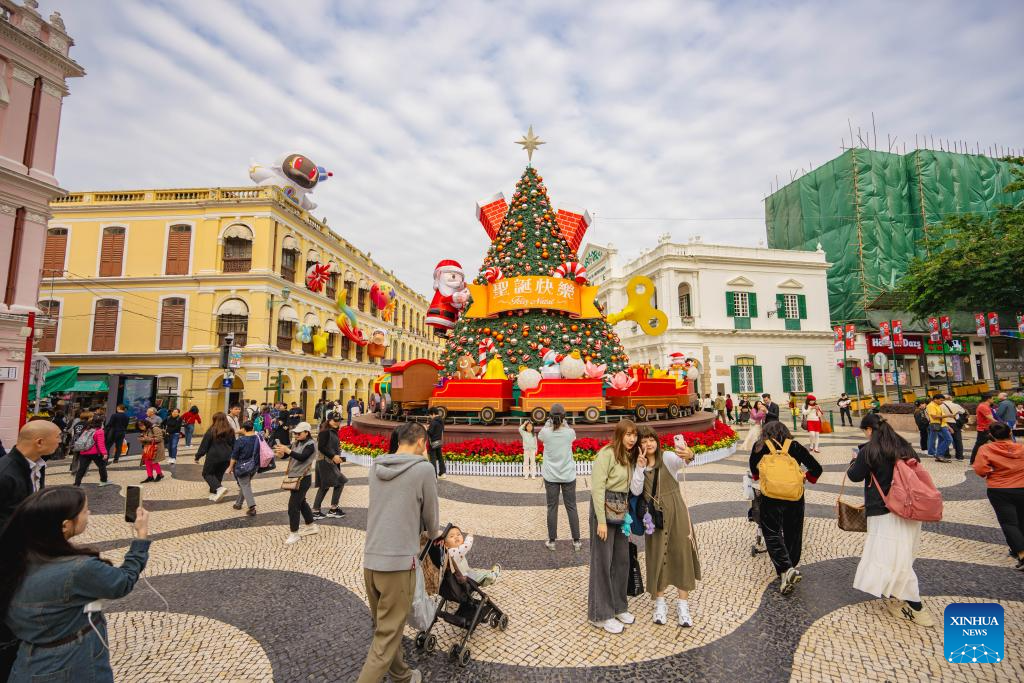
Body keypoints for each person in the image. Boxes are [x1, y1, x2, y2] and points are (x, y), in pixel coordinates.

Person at [0, 487, 151, 682]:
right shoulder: (78, 569)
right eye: (85, 510)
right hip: (73, 664)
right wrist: (141, 537)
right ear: (65, 525)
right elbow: (122, 582)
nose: (89, 513)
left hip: (28, 661)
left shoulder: (16, 556)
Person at [357, 421, 438, 683]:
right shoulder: (423, 469)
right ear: (420, 443)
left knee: (385, 629)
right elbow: (431, 517)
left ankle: (402, 676)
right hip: (398, 564)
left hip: (371, 559)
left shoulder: (377, 467)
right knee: (386, 638)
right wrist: (434, 535)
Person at [847, 413, 936, 627]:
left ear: (869, 430)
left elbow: (854, 475)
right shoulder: (904, 446)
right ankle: (896, 596)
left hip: (885, 510)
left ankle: (916, 607)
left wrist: (854, 459)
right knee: (902, 555)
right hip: (909, 509)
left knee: (893, 558)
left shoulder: (870, 450)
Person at [631, 425, 701, 626]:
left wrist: (690, 453)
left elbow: (683, 460)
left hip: (676, 511)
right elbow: (636, 490)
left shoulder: (667, 457)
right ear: (639, 445)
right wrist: (639, 467)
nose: (648, 444)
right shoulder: (639, 464)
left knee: (681, 554)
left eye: (651, 439)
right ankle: (660, 603)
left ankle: (683, 606)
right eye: (643, 441)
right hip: (653, 518)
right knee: (656, 555)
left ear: (656, 440)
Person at [749, 421, 822, 595]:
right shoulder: (795, 446)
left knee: (772, 532)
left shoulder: (760, 446)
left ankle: (785, 568)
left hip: (771, 498)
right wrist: (805, 476)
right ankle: (789, 568)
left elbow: (754, 471)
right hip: (794, 497)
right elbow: (817, 469)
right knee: (793, 532)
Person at [588, 419, 638, 634]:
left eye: (634, 435)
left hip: (620, 509)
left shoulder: (630, 457)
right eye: (628, 435)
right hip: (603, 509)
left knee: (621, 560)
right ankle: (601, 614)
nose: (632, 439)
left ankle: (619, 606)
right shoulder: (606, 454)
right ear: (619, 435)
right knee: (603, 562)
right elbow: (597, 488)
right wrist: (600, 520)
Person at [972, 423, 1024, 569]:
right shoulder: (1021, 447)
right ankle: (1016, 548)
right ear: (1010, 433)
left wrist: (992, 472)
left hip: (1000, 489)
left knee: (1009, 523)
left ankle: (1021, 553)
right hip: (1022, 486)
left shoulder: (986, 449)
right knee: (1022, 519)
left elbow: (980, 469)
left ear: (992, 436)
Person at [0, 421, 60, 528]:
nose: (60, 441)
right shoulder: (4, 473)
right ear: (39, 442)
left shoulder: (37, 464)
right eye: (57, 437)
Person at [538, 404, 581, 551]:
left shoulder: (545, 433)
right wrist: (564, 423)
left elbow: (541, 434)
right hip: (568, 475)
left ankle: (552, 541)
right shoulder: (569, 433)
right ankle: (576, 541)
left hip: (551, 476)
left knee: (552, 508)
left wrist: (548, 423)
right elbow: (570, 433)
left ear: (550, 417)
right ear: (564, 418)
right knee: (572, 507)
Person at [274, 421, 319, 545]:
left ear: (307, 432)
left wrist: (287, 451)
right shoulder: (296, 443)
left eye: (299, 433)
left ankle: (294, 533)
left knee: (293, 506)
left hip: (303, 478)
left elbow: (302, 457)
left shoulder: (311, 444)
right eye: (295, 433)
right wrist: (281, 454)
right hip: (294, 476)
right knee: (301, 502)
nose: (296, 435)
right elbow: (291, 456)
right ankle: (311, 525)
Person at [313, 413, 347, 519]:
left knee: (325, 486)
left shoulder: (333, 431)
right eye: (335, 420)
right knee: (340, 482)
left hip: (329, 461)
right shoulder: (325, 432)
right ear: (329, 420)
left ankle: (316, 511)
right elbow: (321, 447)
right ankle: (333, 509)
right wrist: (333, 456)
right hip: (326, 461)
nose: (337, 422)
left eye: (339, 420)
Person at [195, 412, 235, 502]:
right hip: (227, 457)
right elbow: (234, 445)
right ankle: (214, 493)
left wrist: (198, 456)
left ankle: (219, 488)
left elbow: (204, 445)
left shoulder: (212, 430)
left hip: (213, 456)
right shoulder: (231, 430)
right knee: (218, 475)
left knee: (206, 474)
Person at [227, 421, 260, 517]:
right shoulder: (258, 438)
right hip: (254, 465)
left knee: (245, 485)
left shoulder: (241, 440)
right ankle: (238, 504)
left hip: (243, 466)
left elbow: (234, 456)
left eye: (241, 428)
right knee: (244, 484)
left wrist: (230, 467)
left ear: (244, 429)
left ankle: (252, 507)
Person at [72, 417, 113, 488]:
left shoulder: (86, 430)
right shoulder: (99, 431)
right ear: (100, 423)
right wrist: (104, 453)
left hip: (84, 452)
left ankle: (77, 483)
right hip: (95, 453)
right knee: (102, 466)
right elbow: (101, 444)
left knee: (82, 468)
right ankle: (104, 481)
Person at [971, 392, 997, 465]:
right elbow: (991, 418)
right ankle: (973, 461)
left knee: (998, 442)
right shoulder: (983, 406)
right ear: (988, 399)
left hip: (986, 429)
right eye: (992, 398)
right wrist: (1000, 424)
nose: (993, 400)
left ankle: (975, 460)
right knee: (979, 445)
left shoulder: (985, 406)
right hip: (984, 430)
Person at [925, 394, 953, 463]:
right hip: (937, 425)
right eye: (941, 400)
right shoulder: (931, 405)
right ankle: (939, 455)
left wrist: (948, 427)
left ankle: (938, 455)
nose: (942, 402)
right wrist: (948, 415)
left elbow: (942, 417)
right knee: (949, 439)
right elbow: (934, 416)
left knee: (943, 439)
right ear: (935, 399)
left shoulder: (938, 405)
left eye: (943, 400)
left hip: (942, 425)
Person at [137, 419, 165, 484]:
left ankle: (159, 475)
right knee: (147, 462)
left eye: (141, 426)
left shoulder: (155, 428)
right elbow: (146, 440)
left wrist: (147, 438)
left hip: (156, 448)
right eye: (139, 426)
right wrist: (142, 440)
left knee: (154, 462)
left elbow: (159, 438)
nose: (141, 427)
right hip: (148, 448)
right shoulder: (145, 430)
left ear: (146, 424)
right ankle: (150, 476)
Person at [942, 396, 967, 461]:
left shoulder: (940, 406)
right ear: (951, 398)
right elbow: (963, 412)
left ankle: (946, 455)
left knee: (945, 439)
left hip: (945, 423)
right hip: (955, 423)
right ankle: (959, 456)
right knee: (958, 440)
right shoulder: (956, 405)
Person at [426, 407, 446, 478]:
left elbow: (430, 433)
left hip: (433, 442)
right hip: (439, 441)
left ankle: (434, 475)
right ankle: (443, 473)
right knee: (440, 457)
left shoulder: (433, 421)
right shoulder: (441, 421)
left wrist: (427, 429)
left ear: (433, 414)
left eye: (430, 415)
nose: (430, 417)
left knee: (433, 458)